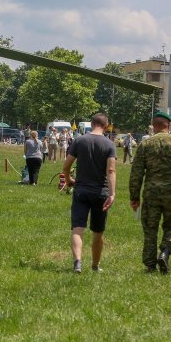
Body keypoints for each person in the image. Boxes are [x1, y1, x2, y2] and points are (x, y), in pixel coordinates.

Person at [129, 111, 171, 274]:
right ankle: (165, 252)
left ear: (154, 126)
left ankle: (150, 264)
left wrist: (134, 197)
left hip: (151, 194)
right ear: (169, 125)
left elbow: (137, 173)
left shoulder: (145, 144)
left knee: (150, 229)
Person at [62, 113, 116, 273]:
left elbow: (66, 165)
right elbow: (111, 170)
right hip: (101, 192)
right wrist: (112, 194)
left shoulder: (79, 141)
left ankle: (77, 262)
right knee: (98, 232)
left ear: (92, 124)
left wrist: (68, 179)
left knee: (77, 228)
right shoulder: (109, 145)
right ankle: (95, 266)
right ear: (106, 126)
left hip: (81, 190)